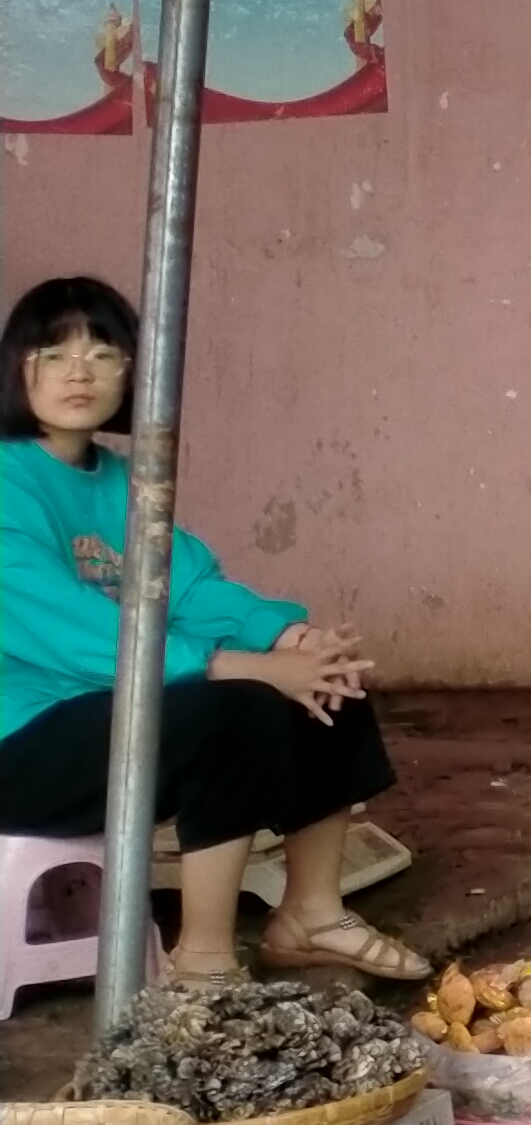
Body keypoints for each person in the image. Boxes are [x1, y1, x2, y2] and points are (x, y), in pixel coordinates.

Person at [0, 278, 425, 983]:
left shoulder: (121, 480)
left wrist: (290, 639)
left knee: (326, 679)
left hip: (100, 716)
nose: (79, 371)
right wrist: (249, 668)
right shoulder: (7, 480)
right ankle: (202, 960)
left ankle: (310, 914)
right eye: (53, 353)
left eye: (103, 354)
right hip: (20, 741)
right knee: (231, 709)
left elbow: (191, 585)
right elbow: (77, 635)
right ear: (18, 366)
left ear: (135, 372)